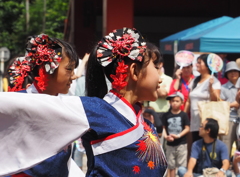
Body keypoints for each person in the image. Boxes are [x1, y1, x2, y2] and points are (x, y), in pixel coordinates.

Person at [0, 28, 167, 177]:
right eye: (155, 67)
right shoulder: (95, 111)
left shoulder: (142, 121)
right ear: (134, 71)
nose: (160, 78)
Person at [6, 34, 82, 177]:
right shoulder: (17, 103)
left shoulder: (67, 106)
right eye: (69, 69)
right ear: (49, 67)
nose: (73, 76)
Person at [184, 54, 221, 143]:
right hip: (194, 121)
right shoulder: (194, 81)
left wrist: (211, 87)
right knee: (195, 147)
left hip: (207, 122)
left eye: (200, 62)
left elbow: (216, 100)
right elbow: (189, 101)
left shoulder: (214, 81)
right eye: (197, 62)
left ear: (208, 65)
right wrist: (183, 116)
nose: (197, 64)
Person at [162, 91, 190, 177]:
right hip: (170, 144)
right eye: (172, 101)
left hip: (181, 144)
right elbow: (164, 128)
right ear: (170, 102)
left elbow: (187, 128)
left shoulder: (184, 115)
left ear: (182, 102)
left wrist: (178, 136)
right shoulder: (166, 115)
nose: (174, 103)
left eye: (177, 101)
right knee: (171, 166)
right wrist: (166, 137)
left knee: (181, 166)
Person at [219, 61, 240, 158]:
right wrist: (232, 105)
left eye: (235, 71)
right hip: (229, 119)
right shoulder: (223, 88)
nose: (233, 73)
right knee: (227, 143)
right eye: (230, 71)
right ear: (226, 74)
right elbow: (220, 105)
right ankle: (225, 166)